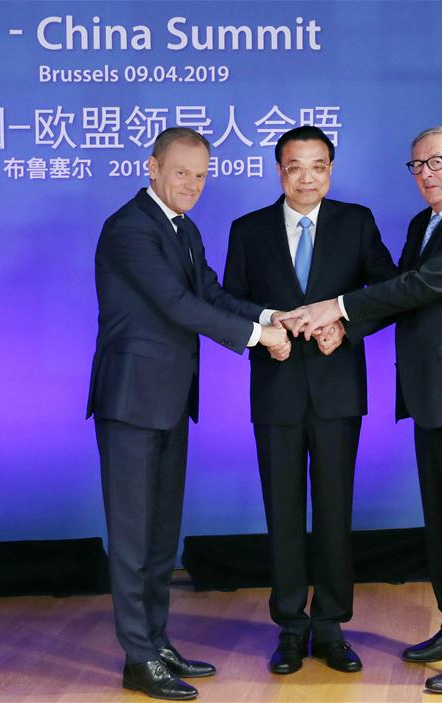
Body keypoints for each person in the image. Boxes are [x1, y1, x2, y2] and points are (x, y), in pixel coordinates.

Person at [279, 125, 442, 695]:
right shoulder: (426, 223)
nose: (427, 173)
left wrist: (336, 307)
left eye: (438, 161)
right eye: (418, 165)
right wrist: (344, 330)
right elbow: (402, 295)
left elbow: (421, 286)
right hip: (435, 396)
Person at [86, 127, 289, 700]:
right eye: (181, 172)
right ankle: (138, 657)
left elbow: (210, 294)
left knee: (161, 535)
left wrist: (273, 316)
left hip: (171, 400)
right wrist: (259, 337)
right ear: (152, 167)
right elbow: (177, 305)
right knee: (132, 535)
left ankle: (156, 642)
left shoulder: (185, 228)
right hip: (131, 401)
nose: (192, 185)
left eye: (201, 175)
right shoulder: (129, 228)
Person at [223, 126, 397, 675]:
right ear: (279, 171)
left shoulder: (356, 221)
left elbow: (388, 290)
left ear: (330, 170)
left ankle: (331, 627)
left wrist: (346, 327)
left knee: (334, 511)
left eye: (318, 166)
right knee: (283, 512)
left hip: (336, 391)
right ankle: (290, 629)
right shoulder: (248, 229)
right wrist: (265, 330)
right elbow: (230, 300)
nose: (307, 178)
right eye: (295, 167)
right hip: (275, 390)